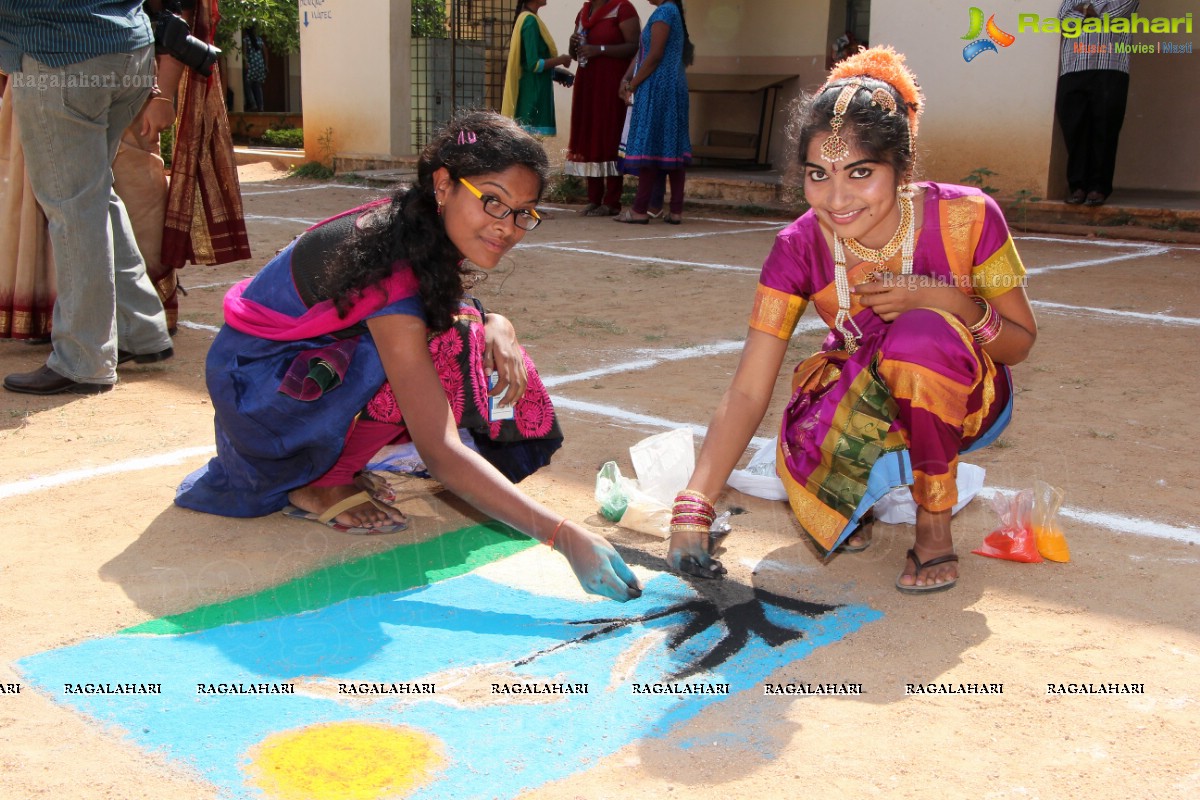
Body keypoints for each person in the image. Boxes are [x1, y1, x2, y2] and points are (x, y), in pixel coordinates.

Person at [175, 111, 642, 603]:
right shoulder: (388, 260)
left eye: (523, 212)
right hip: (258, 396)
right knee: (446, 347)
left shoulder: (413, 228)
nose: (507, 227)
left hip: (284, 377)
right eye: (493, 202)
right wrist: (563, 536)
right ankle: (321, 483)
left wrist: (494, 322)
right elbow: (439, 448)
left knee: (462, 335)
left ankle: (334, 466)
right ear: (443, 185)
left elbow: (432, 304)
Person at [667, 47, 1037, 594]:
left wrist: (944, 300)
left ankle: (933, 523)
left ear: (903, 168)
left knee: (920, 338)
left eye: (860, 173)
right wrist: (693, 505)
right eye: (819, 175)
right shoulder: (795, 248)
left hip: (970, 399)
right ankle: (856, 502)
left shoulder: (969, 216)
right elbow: (749, 389)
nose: (836, 199)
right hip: (864, 394)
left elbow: (1019, 344)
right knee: (812, 404)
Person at [0, 0, 174, 395]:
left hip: (61, 58)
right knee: (91, 194)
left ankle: (84, 360)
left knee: (74, 206)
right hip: (130, 52)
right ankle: (138, 330)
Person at [614, 0, 693, 225]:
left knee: (650, 145)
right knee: (671, 145)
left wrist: (633, 84)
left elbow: (655, 55)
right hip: (669, 86)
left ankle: (639, 209)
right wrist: (627, 78)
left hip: (659, 87)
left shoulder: (664, 12)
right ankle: (675, 210)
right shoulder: (669, 11)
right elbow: (643, 53)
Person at [1055, 0, 1139, 207]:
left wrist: (1082, 11)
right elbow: (1063, 18)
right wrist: (1091, 13)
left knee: (1105, 129)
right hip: (1073, 66)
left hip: (1110, 67)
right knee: (1073, 128)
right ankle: (1078, 186)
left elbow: (1113, 16)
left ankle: (1097, 188)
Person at [565, 0, 640, 217]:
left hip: (611, 82)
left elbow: (635, 46)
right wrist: (573, 44)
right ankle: (593, 198)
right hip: (587, 83)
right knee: (589, 135)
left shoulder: (623, 8)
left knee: (609, 135)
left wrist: (601, 50)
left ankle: (612, 200)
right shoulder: (584, 11)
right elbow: (575, 54)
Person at [501, 0, 573, 136]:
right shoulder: (530, 22)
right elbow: (534, 64)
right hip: (532, 93)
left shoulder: (530, 19)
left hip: (534, 88)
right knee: (529, 141)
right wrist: (561, 60)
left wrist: (556, 73)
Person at [242, 23, 266, 112]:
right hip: (260, 65)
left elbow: (244, 53)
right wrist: (266, 65)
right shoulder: (259, 40)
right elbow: (265, 53)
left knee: (247, 85)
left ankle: (253, 103)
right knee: (257, 86)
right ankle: (261, 106)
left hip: (251, 65)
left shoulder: (246, 40)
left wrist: (246, 63)